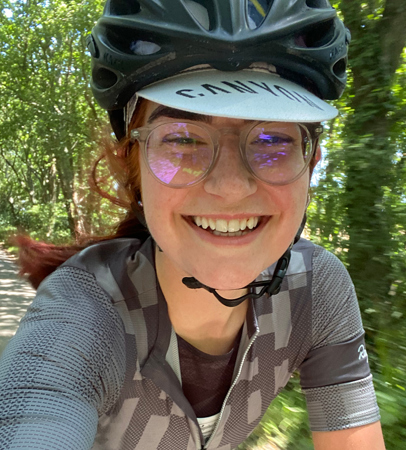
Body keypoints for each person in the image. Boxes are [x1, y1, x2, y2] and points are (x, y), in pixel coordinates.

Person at [0, 1, 384, 448]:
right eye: (182, 140)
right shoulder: (82, 317)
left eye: (273, 140)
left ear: (311, 161)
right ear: (134, 166)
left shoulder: (317, 291)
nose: (230, 187)